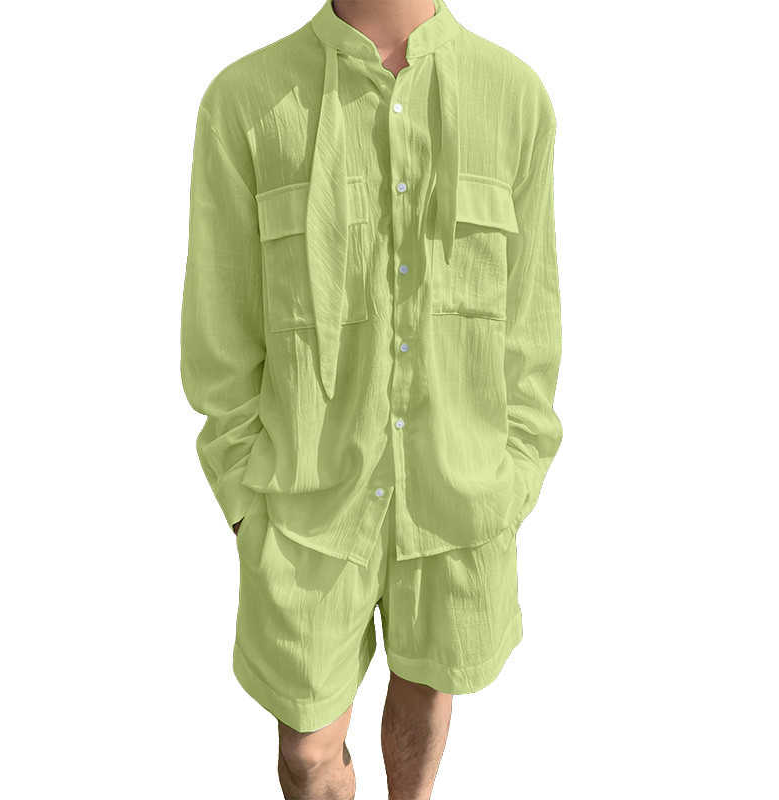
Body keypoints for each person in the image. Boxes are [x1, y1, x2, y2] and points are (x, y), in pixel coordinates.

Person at [180, 0, 563, 796]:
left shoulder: (514, 97)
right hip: (305, 510)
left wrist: (516, 474)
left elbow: (530, 323)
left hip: (458, 502)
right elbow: (220, 328)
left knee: (424, 698)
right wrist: (246, 500)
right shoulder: (247, 100)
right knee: (308, 751)